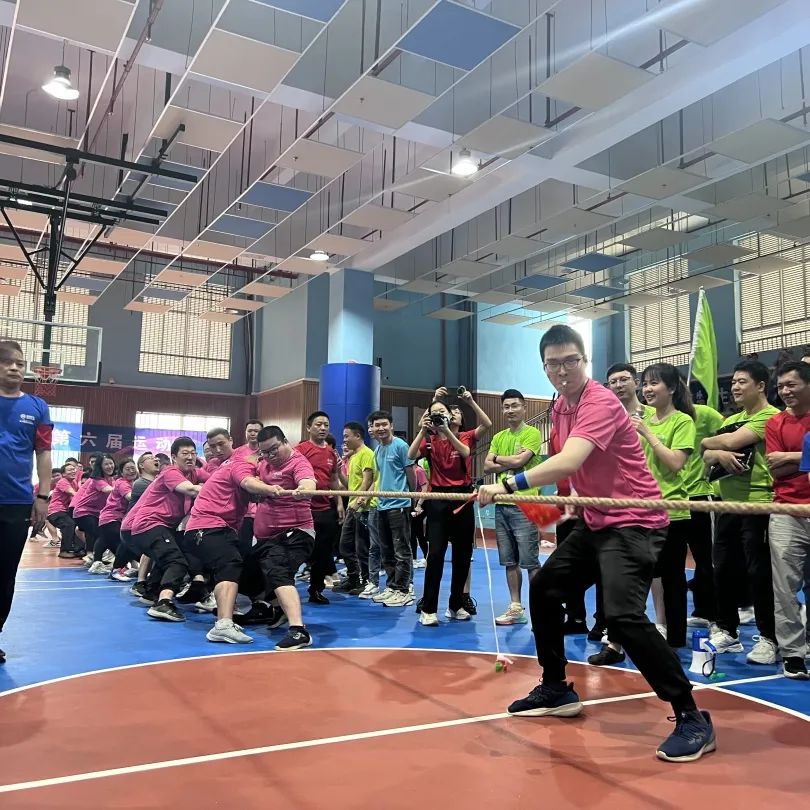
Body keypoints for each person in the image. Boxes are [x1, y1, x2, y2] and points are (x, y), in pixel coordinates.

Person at [477, 325, 715, 763]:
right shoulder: (560, 407)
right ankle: (555, 688)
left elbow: (569, 459)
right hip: (596, 519)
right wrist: (562, 508)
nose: (563, 370)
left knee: (623, 616)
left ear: (584, 361)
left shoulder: (599, 401)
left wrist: (507, 484)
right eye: (553, 363)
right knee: (545, 588)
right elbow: (573, 468)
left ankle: (692, 716)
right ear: (544, 368)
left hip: (636, 522)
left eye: (571, 361)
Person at [701, 359, 779, 664]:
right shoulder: (732, 418)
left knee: (759, 573)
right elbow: (706, 453)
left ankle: (769, 638)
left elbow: (731, 440)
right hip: (726, 504)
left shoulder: (770, 416)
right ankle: (728, 631)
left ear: (760, 386)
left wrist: (712, 444)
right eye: (733, 381)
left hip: (758, 503)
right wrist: (717, 452)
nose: (734, 386)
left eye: (742, 381)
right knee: (723, 569)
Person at [185, 430, 281, 644]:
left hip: (221, 528)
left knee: (250, 563)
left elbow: (251, 493)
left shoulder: (231, 465)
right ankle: (223, 625)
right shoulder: (241, 464)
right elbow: (248, 483)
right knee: (229, 563)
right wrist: (272, 488)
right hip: (206, 527)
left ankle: (264, 606)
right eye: (266, 455)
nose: (270, 461)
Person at [409, 386, 491, 626]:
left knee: (463, 555)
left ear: (450, 416)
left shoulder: (463, 437)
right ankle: (429, 608)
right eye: (434, 414)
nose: (439, 416)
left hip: (463, 498)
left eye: (442, 413)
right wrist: (422, 430)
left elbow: (465, 451)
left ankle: (455, 605)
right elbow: (411, 455)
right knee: (435, 554)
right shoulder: (429, 441)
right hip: (438, 500)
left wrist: (447, 430)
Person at [0, 340, 52, 664]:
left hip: (17, 502)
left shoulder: (37, 407)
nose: (14, 367)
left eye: (20, 363)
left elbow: (43, 454)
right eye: (7, 362)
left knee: (5, 574)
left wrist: (43, 496)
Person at [129, 437, 207, 622]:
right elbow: (191, 490)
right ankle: (164, 602)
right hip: (148, 524)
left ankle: (151, 593)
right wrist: (216, 490)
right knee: (176, 561)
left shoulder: (193, 473)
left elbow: (216, 478)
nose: (190, 457)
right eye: (185, 453)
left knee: (172, 555)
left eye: (193, 453)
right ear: (174, 457)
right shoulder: (170, 472)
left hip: (160, 527)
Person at [254, 425, 317, 650]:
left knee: (276, 567)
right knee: (244, 569)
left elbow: (308, 482)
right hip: (267, 537)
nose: (270, 455)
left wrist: (303, 489)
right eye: (265, 452)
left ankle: (299, 631)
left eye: (274, 449)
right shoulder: (263, 464)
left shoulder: (298, 462)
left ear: (285, 442)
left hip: (296, 533)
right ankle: (278, 607)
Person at [484, 388, 543, 627]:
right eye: (506, 406)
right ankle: (516, 607)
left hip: (526, 504)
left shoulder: (533, 433)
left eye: (515, 405)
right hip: (501, 504)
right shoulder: (499, 437)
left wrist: (498, 459)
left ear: (524, 407)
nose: (510, 410)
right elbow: (487, 466)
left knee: (531, 562)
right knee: (509, 561)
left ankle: (541, 610)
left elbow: (520, 461)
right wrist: (507, 461)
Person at [767, 361, 810, 679]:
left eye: (791, 384)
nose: (785, 391)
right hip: (786, 511)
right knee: (784, 588)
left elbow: (784, 461)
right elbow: (774, 466)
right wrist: (801, 460)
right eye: (781, 386)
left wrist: (790, 457)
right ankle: (793, 653)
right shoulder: (775, 423)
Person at [368, 410, 416, 607]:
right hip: (382, 505)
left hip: (399, 505)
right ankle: (392, 586)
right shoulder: (378, 449)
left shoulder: (401, 446)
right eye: (377, 425)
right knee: (386, 550)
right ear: (373, 428)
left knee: (401, 550)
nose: (381, 428)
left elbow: (411, 474)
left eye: (384, 424)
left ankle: (404, 589)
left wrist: (411, 497)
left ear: (391, 426)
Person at [682, 403, 724, 628]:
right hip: (670, 499)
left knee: (706, 558)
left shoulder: (705, 414)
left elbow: (729, 436)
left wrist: (715, 456)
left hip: (699, 496)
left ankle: (713, 614)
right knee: (670, 563)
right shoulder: (655, 418)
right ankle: (681, 616)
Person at [297, 412, 342, 604]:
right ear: (309, 427)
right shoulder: (300, 450)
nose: (323, 428)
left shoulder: (331, 452)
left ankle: (316, 589)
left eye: (326, 425)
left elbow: (334, 479)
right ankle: (282, 591)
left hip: (325, 508)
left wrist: (339, 503)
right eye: (318, 424)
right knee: (300, 549)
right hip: (303, 508)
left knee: (324, 552)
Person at [334, 422, 375, 595]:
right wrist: (338, 472)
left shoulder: (367, 454)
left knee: (362, 548)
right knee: (344, 546)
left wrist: (359, 500)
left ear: (357, 436)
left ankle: (365, 581)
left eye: (346, 436)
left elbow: (368, 480)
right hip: (353, 507)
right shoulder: (353, 457)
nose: (344, 440)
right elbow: (348, 485)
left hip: (363, 508)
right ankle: (353, 578)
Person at [91, 458, 138, 574]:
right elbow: (130, 497)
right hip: (111, 518)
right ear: (121, 472)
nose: (131, 471)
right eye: (127, 469)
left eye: (133, 468)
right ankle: (118, 569)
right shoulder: (122, 483)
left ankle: (100, 563)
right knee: (124, 544)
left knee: (106, 540)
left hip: (114, 518)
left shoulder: (133, 483)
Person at [70, 453, 116, 566]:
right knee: (103, 535)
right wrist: (126, 490)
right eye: (106, 464)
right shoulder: (96, 479)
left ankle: (95, 559)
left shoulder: (111, 479)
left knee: (103, 536)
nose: (109, 466)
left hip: (96, 514)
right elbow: (108, 490)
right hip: (83, 512)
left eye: (111, 463)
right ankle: (97, 561)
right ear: (100, 466)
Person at [50, 461, 80, 559]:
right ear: (63, 474)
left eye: (74, 469)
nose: (73, 471)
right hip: (55, 511)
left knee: (76, 524)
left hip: (65, 511)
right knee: (69, 524)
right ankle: (64, 551)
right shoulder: (63, 481)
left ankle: (77, 548)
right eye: (70, 470)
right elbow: (73, 493)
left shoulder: (74, 482)